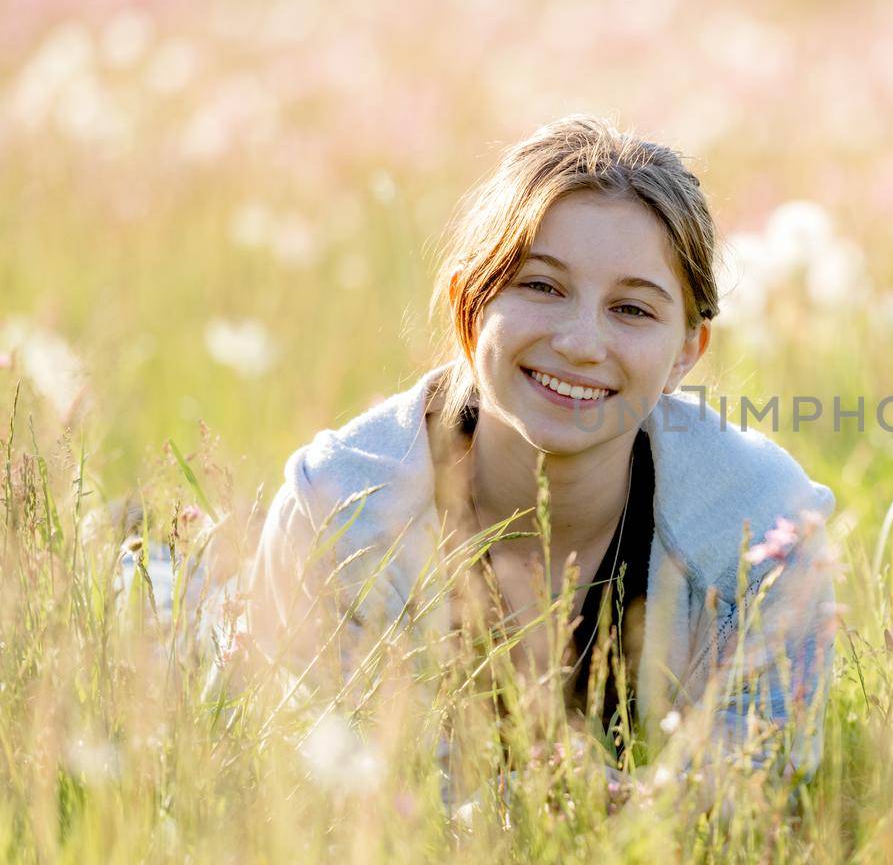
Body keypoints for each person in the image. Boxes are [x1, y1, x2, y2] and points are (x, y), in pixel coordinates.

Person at [243, 115, 839, 804]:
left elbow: (766, 777)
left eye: (633, 310)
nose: (582, 342)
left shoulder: (762, 527)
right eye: (542, 287)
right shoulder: (338, 507)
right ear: (470, 306)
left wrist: (618, 810)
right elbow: (295, 768)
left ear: (686, 353)